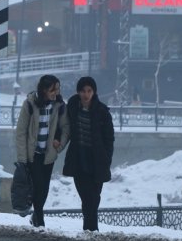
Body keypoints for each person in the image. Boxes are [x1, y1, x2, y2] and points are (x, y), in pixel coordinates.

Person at [15, 74, 69, 228]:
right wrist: (22, 158)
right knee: (38, 186)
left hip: (48, 155)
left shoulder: (59, 106)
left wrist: (59, 146)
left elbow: (66, 128)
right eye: (53, 90)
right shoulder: (30, 104)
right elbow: (21, 132)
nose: (56, 93)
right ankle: (40, 221)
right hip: (33, 155)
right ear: (44, 90)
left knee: (44, 189)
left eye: (57, 90)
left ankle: (36, 216)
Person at [62, 77, 114, 232]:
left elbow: (109, 138)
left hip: (97, 161)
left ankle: (91, 229)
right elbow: (65, 125)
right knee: (86, 197)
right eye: (83, 91)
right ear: (78, 92)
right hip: (79, 160)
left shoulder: (102, 111)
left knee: (94, 197)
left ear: (94, 92)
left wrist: (106, 159)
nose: (86, 94)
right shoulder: (72, 106)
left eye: (89, 91)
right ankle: (90, 229)